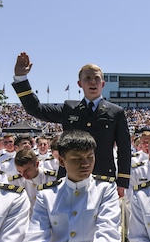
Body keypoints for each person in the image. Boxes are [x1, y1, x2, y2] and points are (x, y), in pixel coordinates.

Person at [12, 52, 131, 196]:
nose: (92, 82)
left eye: (96, 78)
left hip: (103, 178)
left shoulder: (115, 112)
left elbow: (124, 149)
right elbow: (35, 109)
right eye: (87, 78)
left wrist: (122, 182)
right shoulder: (69, 109)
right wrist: (21, 78)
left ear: (103, 83)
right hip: (69, 178)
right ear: (80, 84)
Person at [18, 130, 121, 242]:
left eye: (90, 157)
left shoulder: (105, 190)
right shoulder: (47, 195)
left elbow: (107, 234)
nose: (85, 164)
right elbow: (35, 239)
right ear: (61, 161)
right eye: (77, 159)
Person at [10, 148, 57, 213]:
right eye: (19, 171)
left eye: (27, 170)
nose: (23, 175)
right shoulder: (15, 182)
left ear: (37, 164)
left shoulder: (52, 178)